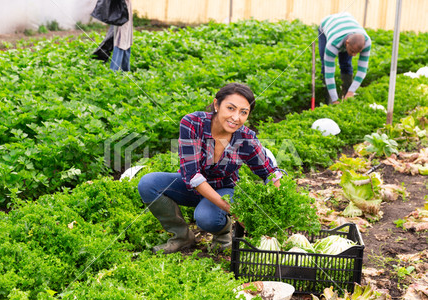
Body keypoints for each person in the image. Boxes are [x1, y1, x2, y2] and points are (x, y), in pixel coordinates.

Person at [138, 83, 286, 254]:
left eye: (243, 112)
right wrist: (236, 212)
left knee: (206, 218)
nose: (236, 117)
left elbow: (270, 172)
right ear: (216, 105)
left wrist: (274, 209)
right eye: (231, 108)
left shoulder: (246, 139)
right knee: (148, 184)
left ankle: (223, 233)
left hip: (224, 189)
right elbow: (192, 175)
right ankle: (182, 236)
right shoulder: (193, 123)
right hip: (191, 187)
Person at [318, 12, 372, 104]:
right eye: (352, 51)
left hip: (347, 21)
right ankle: (329, 100)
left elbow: (362, 70)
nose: (354, 55)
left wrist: (351, 91)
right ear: (347, 43)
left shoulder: (366, 43)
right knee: (325, 65)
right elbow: (329, 74)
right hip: (327, 25)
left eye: (357, 52)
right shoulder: (332, 45)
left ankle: (347, 96)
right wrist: (335, 100)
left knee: (346, 65)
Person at [110, 0, 133, 72]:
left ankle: (125, 70)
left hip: (125, 7)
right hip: (122, 8)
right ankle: (113, 72)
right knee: (120, 40)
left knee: (126, 39)